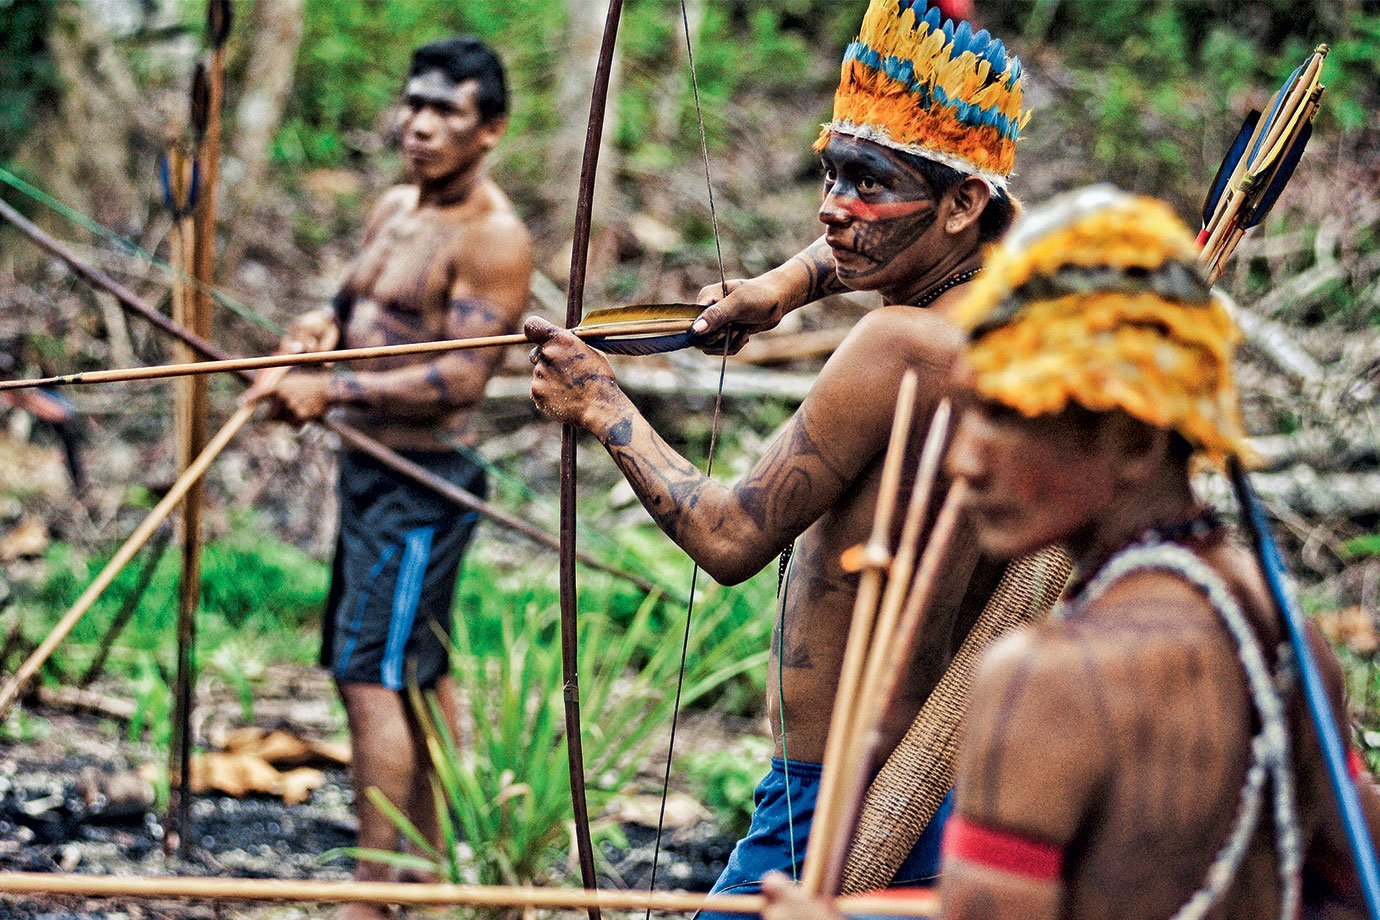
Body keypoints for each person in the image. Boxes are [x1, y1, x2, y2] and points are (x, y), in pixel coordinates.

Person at [760, 185, 1380, 920]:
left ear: (1133, 441)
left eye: (1005, 416)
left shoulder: (1045, 684)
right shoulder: (1287, 639)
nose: (964, 461)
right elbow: (1352, 890)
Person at [526, 0, 1031, 901]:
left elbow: (728, 539)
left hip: (835, 799)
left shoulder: (899, 348)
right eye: (830, 172)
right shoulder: (1019, 319)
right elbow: (863, 240)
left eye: (869, 183)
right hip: (937, 781)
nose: (834, 209)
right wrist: (781, 288)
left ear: (964, 204)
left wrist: (600, 405)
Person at [252, 35, 533, 920]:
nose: (418, 125)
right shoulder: (394, 209)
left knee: (373, 674)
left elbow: (461, 378)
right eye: (413, 104)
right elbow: (350, 308)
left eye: (444, 110)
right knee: (413, 670)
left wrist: (326, 389)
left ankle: (373, 900)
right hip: (367, 473)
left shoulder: (493, 237)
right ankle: (424, 873)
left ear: (489, 129)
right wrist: (312, 333)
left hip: (423, 486)